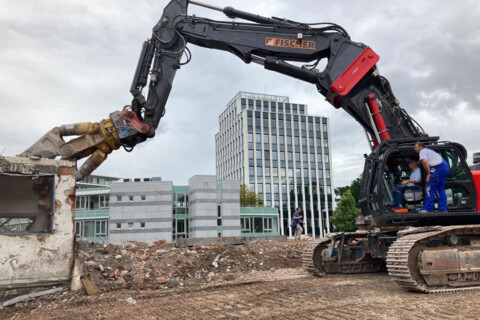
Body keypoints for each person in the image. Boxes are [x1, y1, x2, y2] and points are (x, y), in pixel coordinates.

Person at [414, 142, 450, 213]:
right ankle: (443, 209)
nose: (414, 148)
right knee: (439, 188)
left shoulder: (423, 151)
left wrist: (428, 174)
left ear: (420, 146)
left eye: (415, 147)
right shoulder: (429, 151)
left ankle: (428, 209)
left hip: (438, 168)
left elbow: (424, 161)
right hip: (445, 168)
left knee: (429, 188)